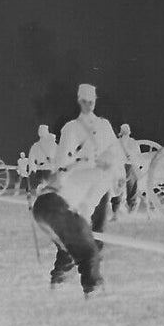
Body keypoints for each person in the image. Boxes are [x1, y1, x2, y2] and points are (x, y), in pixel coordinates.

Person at [45, 83, 125, 288]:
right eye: (85, 101)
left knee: (97, 231)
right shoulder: (71, 129)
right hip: (78, 185)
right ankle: (61, 272)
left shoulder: (104, 126)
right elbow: (61, 161)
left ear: (95, 101)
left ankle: (93, 276)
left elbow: (116, 152)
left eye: (92, 101)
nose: (88, 104)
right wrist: (82, 163)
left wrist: (116, 172)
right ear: (79, 101)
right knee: (73, 228)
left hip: (100, 185)